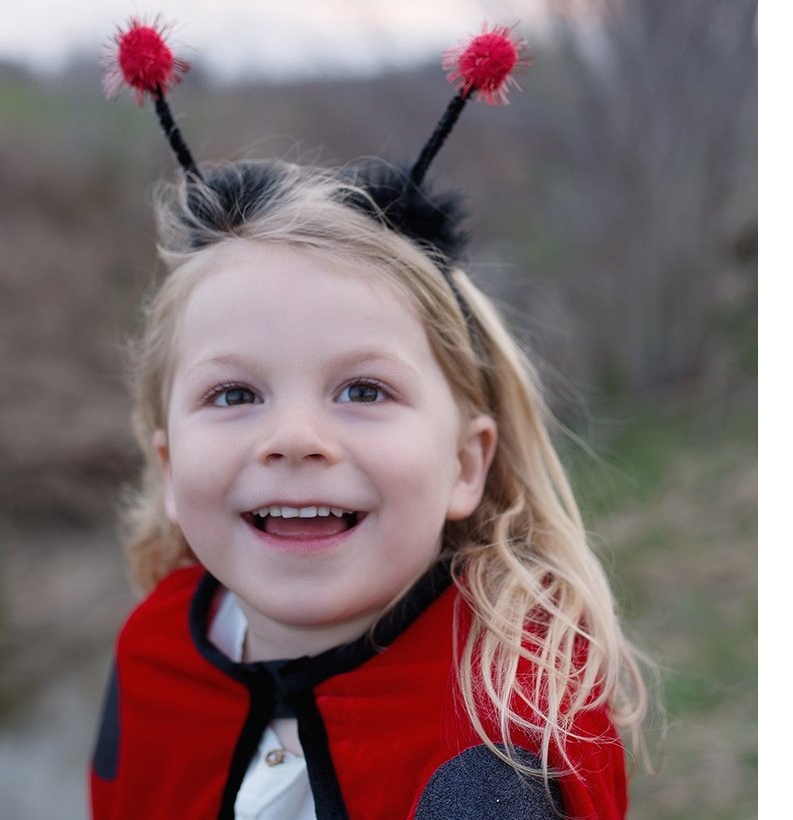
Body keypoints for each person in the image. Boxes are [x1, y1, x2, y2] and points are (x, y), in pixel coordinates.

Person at [91, 19, 649, 820]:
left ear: (465, 464)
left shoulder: (497, 752)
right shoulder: (153, 659)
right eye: (235, 394)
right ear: (171, 467)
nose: (292, 438)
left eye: (362, 391)